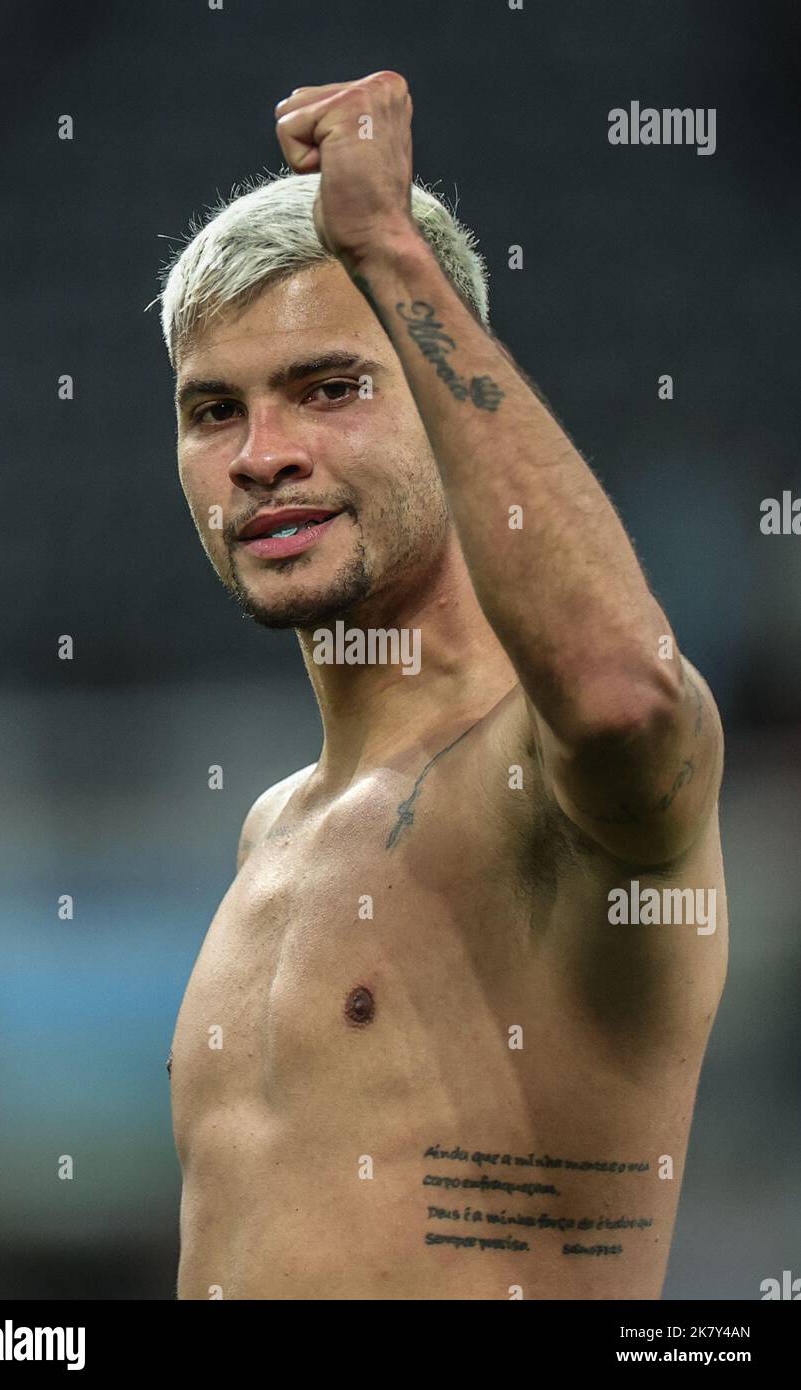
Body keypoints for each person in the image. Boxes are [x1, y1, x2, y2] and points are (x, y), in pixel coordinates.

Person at [161, 72, 726, 1300]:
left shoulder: (541, 781)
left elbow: (628, 692)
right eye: (216, 410)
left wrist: (393, 255)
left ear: (439, 390)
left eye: (329, 387)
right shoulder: (273, 829)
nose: (263, 457)